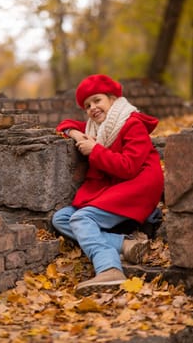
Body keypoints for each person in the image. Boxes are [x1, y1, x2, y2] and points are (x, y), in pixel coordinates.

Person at [52, 74, 164, 296]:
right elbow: (65, 124)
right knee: (61, 218)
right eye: (87, 105)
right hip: (115, 186)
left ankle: (109, 268)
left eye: (97, 100)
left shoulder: (131, 123)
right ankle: (124, 245)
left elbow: (129, 166)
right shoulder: (96, 128)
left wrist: (95, 151)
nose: (92, 108)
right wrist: (75, 133)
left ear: (112, 99)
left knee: (81, 218)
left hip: (138, 185)